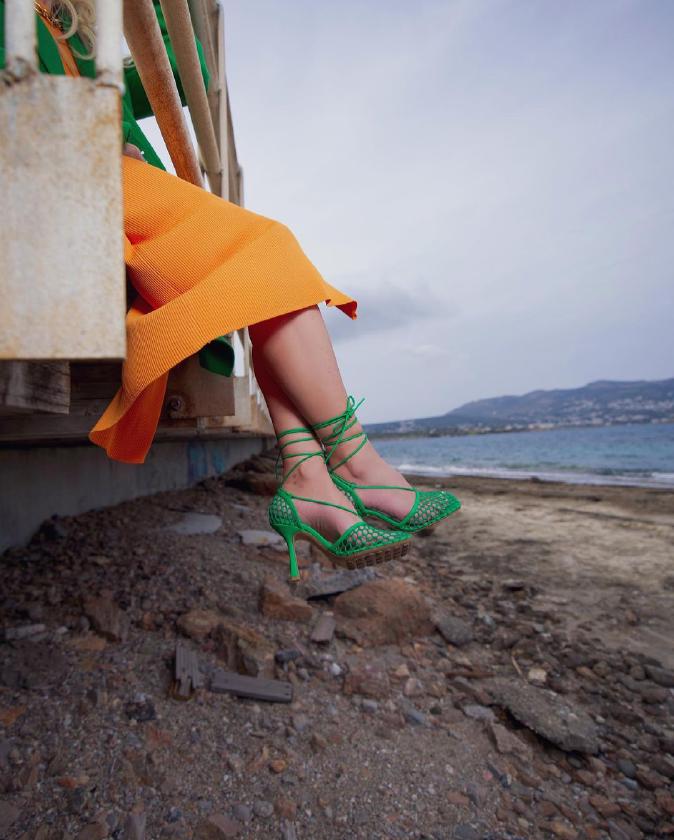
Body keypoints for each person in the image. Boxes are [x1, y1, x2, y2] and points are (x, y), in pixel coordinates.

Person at [1, 1, 460, 580]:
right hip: (54, 166)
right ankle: (351, 463)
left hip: (106, 182)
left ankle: (311, 473)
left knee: (261, 275)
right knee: (265, 249)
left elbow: (183, 65)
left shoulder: (75, 24)